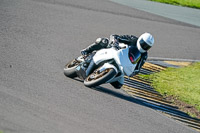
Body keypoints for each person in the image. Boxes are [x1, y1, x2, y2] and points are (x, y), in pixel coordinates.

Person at [81, 32, 154, 89]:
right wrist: (115, 42)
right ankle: (87, 51)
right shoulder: (133, 39)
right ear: (140, 40)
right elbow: (115, 36)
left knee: (119, 85)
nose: (144, 47)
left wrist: (132, 72)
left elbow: (138, 68)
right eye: (143, 44)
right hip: (114, 51)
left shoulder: (144, 55)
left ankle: (101, 77)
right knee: (104, 41)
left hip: (122, 64)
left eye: (147, 46)